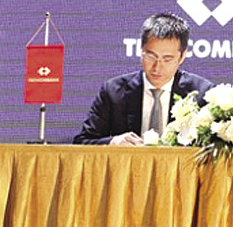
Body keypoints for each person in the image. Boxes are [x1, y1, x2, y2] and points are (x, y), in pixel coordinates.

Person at [74, 13, 213, 145]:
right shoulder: (113, 92)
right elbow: (82, 141)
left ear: (182, 57)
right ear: (141, 50)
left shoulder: (202, 94)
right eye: (151, 56)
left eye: (167, 59)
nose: (157, 67)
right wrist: (112, 142)